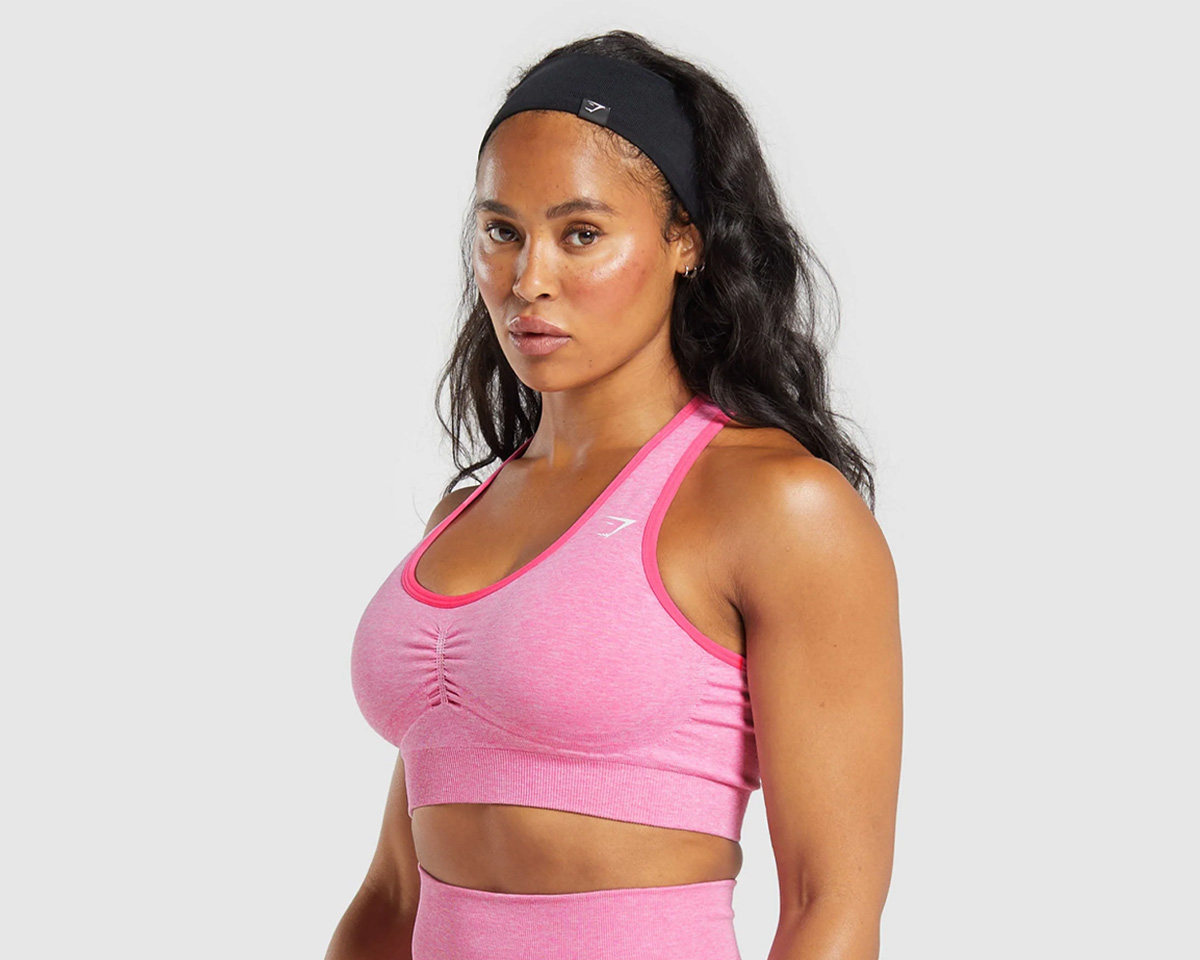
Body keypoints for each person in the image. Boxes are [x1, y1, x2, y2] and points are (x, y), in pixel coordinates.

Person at [326, 29, 901, 960]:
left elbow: (830, 906)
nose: (527, 280)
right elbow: (394, 894)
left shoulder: (779, 505)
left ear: (685, 242)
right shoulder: (462, 518)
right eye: (501, 231)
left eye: (581, 234)